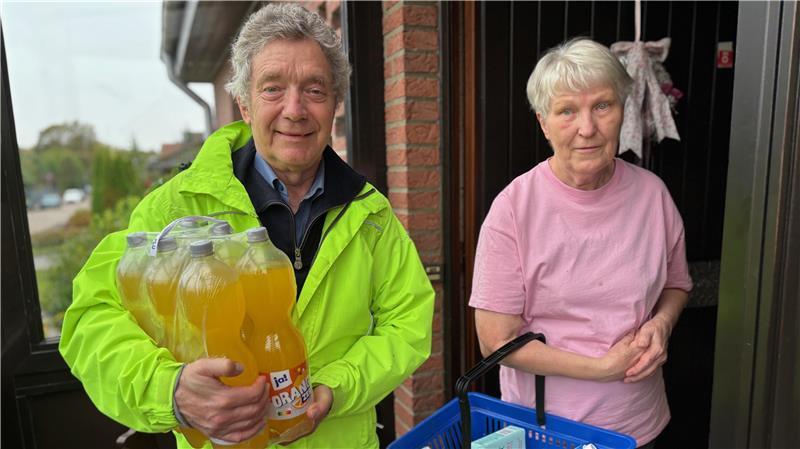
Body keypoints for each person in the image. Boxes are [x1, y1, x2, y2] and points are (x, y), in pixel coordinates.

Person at [59, 4, 434, 448]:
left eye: (314, 90)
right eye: (273, 89)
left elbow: (408, 323)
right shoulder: (179, 206)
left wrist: (337, 386)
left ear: (336, 104)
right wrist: (171, 389)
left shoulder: (369, 213)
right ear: (244, 104)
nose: (294, 110)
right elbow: (92, 318)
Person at [469, 38, 692, 449]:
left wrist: (661, 324)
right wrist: (602, 368)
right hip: (545, 431)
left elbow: (676, 284)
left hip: (638, 423)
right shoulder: (514, 210)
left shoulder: (653, 195)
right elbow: (495, 342)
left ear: (622, 111)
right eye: (567, 111)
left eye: (602, 106)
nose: (587, 128)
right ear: (544, 123)